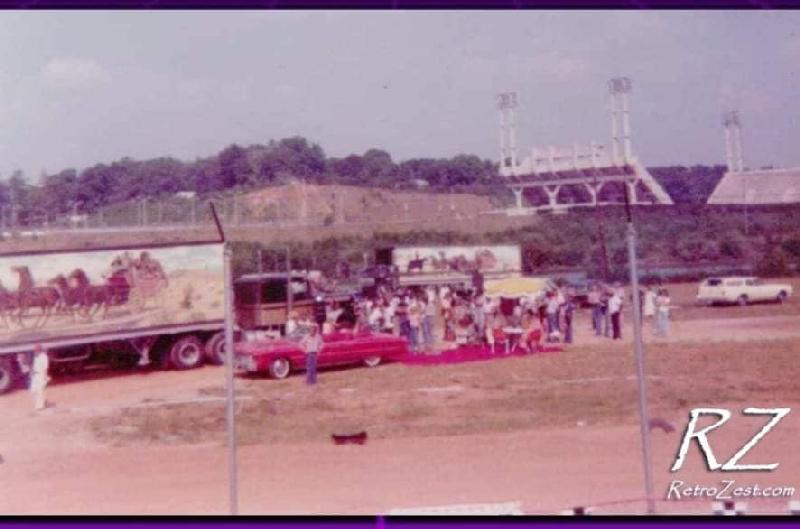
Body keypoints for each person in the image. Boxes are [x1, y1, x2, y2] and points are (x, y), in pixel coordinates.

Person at [30, 345, 50, 411]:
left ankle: (40, 406)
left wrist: (45, 377)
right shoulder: (36, 357)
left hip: (41, 375)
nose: (34, 352)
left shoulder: (44, 357)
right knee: (33, 390)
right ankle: (44, 401)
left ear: (39, 350)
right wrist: (32, 373)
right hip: (35, 375)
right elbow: (34, 366)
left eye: (36, 350)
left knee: (39, 390)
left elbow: (45, 367)